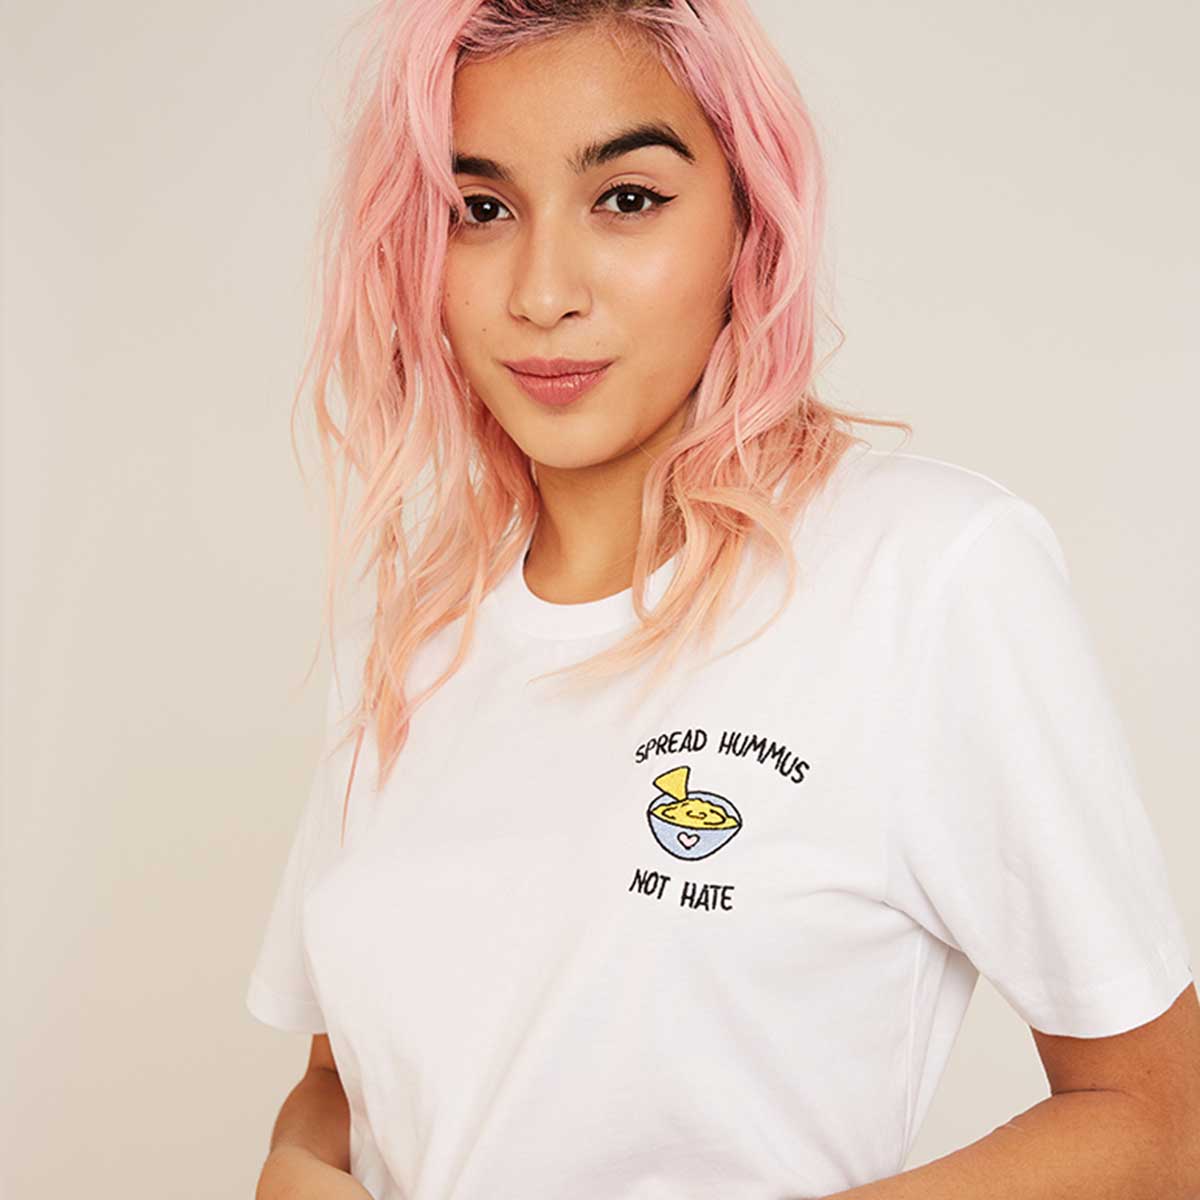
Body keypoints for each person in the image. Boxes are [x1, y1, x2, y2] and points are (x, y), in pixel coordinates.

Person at [245, 3, 1197, 1199]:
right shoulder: (409, 625)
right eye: (479, 209)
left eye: (626, 197)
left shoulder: (925, 570)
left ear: (749, 220)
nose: (543, 292)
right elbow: (344, 1076)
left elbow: (1161, 1122)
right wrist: (295, 1163)